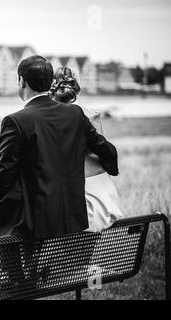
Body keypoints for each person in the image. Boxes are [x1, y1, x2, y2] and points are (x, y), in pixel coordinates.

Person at [0, 55, 119, 242]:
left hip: (32, 220)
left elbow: (5, 176)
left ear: (21, 81)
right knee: (7, 216)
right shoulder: (75, 113)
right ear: (49, 83)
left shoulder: (15, 120)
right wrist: (110, 167)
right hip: (69, 216)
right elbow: (107, 150)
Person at [49, 66, 123, 232]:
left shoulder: (49, 117)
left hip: (80, 202)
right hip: (105, 198)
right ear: (77, 88)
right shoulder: (89, 113)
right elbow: (101, 153)